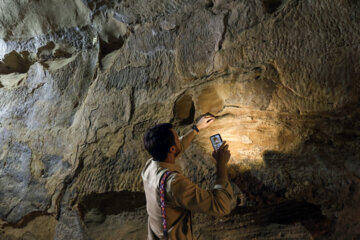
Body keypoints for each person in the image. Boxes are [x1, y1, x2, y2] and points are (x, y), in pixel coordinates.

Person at [142, 116, 234, 239]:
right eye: (176, 138)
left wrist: (197, 128)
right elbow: (221, 206)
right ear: (172, 149)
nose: (179, 139)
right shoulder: (174, 183)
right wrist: (221, 165)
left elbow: (177, 147)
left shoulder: (150, 166)